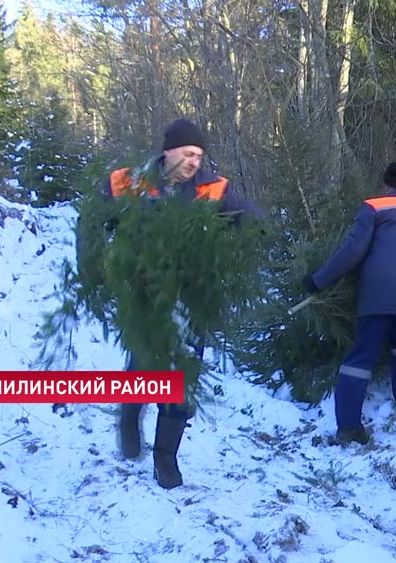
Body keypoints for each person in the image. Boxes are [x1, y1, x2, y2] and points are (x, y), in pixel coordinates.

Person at [101, 118, 258, 488]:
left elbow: (250, 220)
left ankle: (165, 459)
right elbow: (98, 220)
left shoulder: (213, 188)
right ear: (167, 151)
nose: (193, 161)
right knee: (142, 365)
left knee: (181, 377)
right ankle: (129, 415)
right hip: (142, 294)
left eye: (199, 155)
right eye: (188, 153)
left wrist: (249, 241)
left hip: (189, 296)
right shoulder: (128, 181)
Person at [304, 162, 396, 445]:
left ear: (385, 183)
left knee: (362, 356)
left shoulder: (374, 207)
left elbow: (352, 250)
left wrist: (319, 280)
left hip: (379, 290)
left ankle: (348, 427)